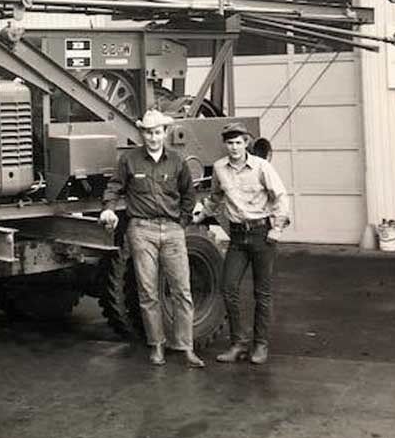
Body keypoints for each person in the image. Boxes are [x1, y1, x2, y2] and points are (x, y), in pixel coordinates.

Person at [100, 109, 204, 368]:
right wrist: (109, 208)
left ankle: (185, 347)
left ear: (164, 133)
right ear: (142, 133)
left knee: (182, 291)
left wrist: (180, 223)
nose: (153, 137)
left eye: (157, 132)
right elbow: (115, 186)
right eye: (148, 132)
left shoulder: (177, 161)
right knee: (148, 292)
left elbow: (189, 195)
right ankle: (156, 345)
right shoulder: (129, 160)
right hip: (141, 231)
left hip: (171, 231)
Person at [193, 121, 289, 365]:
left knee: (262, 292)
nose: (234, 147)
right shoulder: (219, 168)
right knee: (228, 288)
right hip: (237, 236)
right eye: (230, 143)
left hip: (261, 234)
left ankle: (260, 345)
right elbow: (215, 197)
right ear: (224, 144)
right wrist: (201, 214)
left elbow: (280, 196)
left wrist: (277, 228)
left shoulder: (261, 167)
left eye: (238, 142)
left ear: (246, 142)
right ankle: (238, 344)